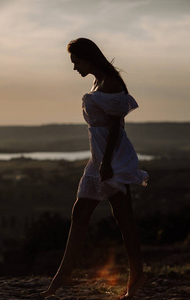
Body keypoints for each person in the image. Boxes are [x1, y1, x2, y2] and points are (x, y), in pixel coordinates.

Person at [40, 38, 149, 299]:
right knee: (80, 212)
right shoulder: (97, 82)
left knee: (124, 219)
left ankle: (137, 276)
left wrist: (107, 163)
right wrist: (100, 160)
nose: (74, 67)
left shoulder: (110, 84)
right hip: (99, 157)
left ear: (88, 58)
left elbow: (114, 128)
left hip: (112, 158)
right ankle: (63, 274)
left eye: (76, 61)